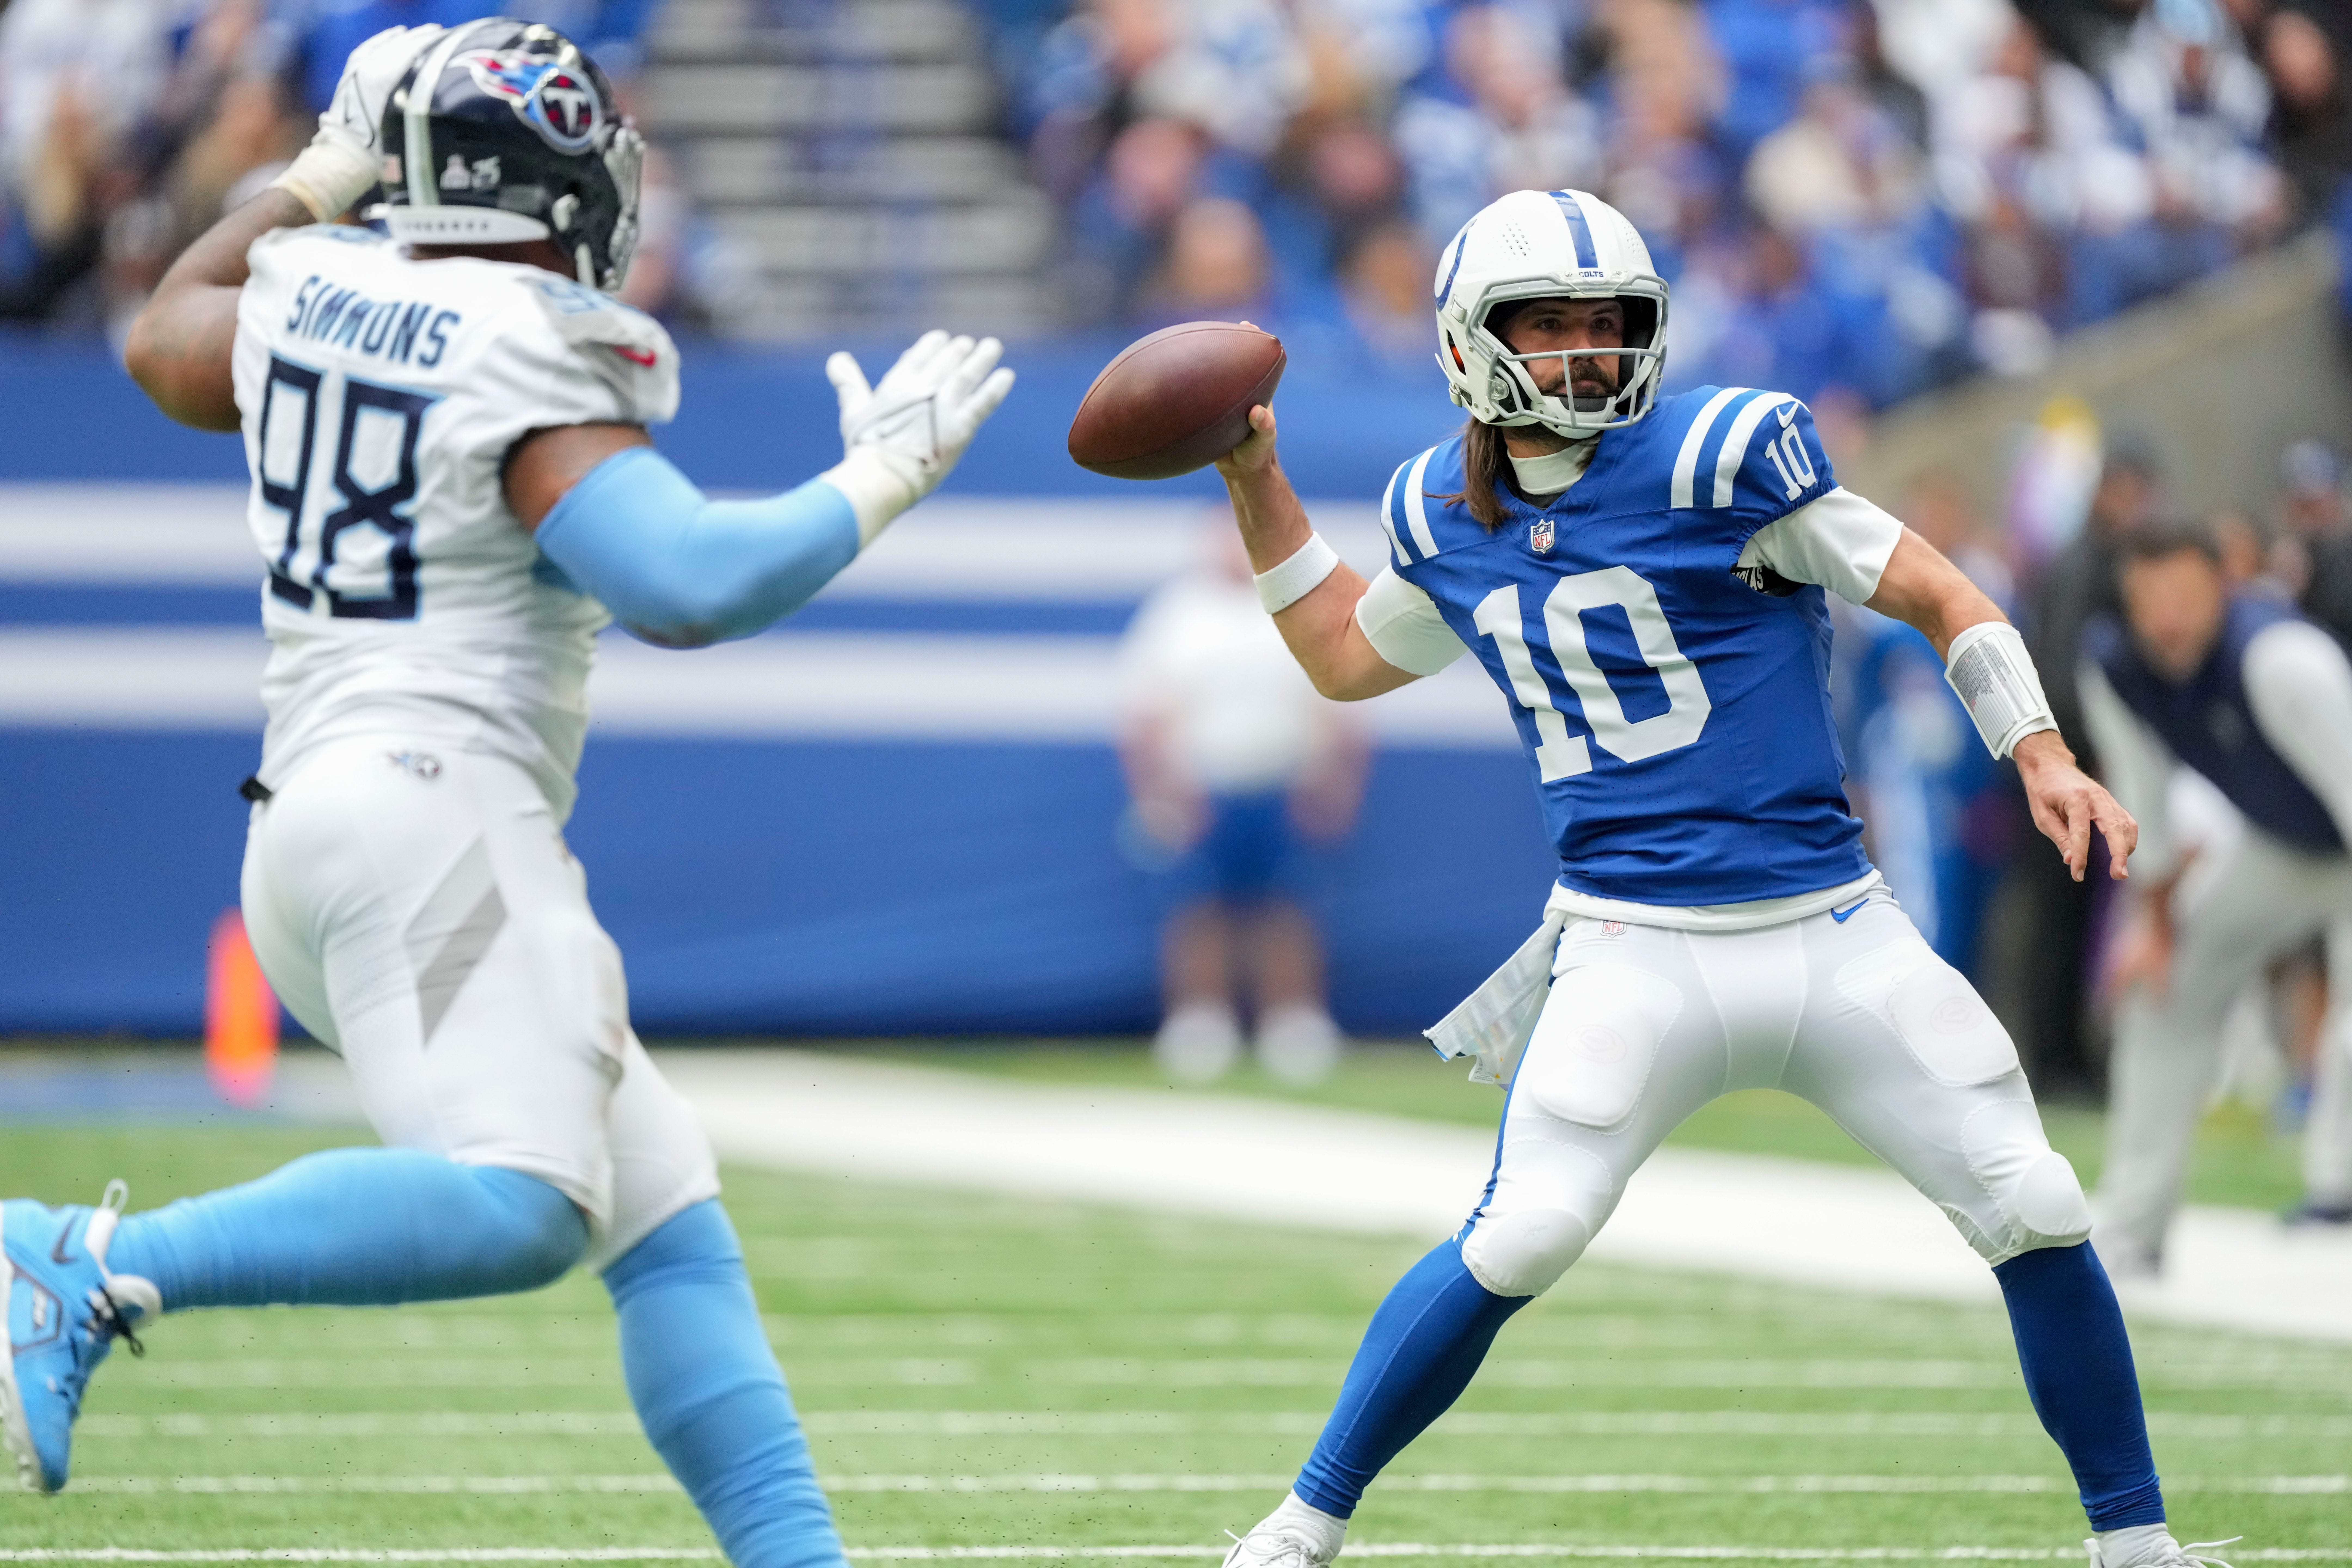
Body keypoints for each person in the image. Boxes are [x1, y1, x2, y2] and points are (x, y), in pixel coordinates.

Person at [0, 21, 1013, 1568]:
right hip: (431, 808)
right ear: (562, 184)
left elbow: (160, 338)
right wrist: (878, 478)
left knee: (663, 1220)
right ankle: (85, 1262)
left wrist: (305, 184)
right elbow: (686, 584)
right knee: (531, 1199)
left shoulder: (318, 283)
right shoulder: (525, 337)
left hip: (313, 828)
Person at [1209, 187, 2230, 1568]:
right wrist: (1253, 477)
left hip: (1832, 929)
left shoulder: (1727, 456)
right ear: (1470, 342)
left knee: (2035, 1200)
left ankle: (2139, 1545)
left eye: (1605, 322)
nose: (1582, 351)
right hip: (1632, 945)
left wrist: (2039, 749)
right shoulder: (1440, 509)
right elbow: (1342, 657)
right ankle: (1296, 1527)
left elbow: (1943, 593)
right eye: (1548, 324)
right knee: (1524, 1234)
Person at [2080, 520, 2352, 1268]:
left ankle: (2338, 1196)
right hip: (2280, 848)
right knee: (2161, 995)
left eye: (2186, 598)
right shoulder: (2115, 665)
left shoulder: (2284, 660)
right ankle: (2134, 1230)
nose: (2168, 620)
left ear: (2223, 592)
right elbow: (2146, 808)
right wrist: (2157, 927)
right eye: (2151, 601)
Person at [1118, 521, 1366, 1085]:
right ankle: (1201, 1023)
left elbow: (1342, 704)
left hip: (1285, 784)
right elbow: (1144, 712)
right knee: (1198, 907)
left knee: (1289, 905)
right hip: (1203, 787)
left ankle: (1293, 1022)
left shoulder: (1297, 606)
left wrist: (1333, 783)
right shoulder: (1179, 614)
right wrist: (1159, 790)